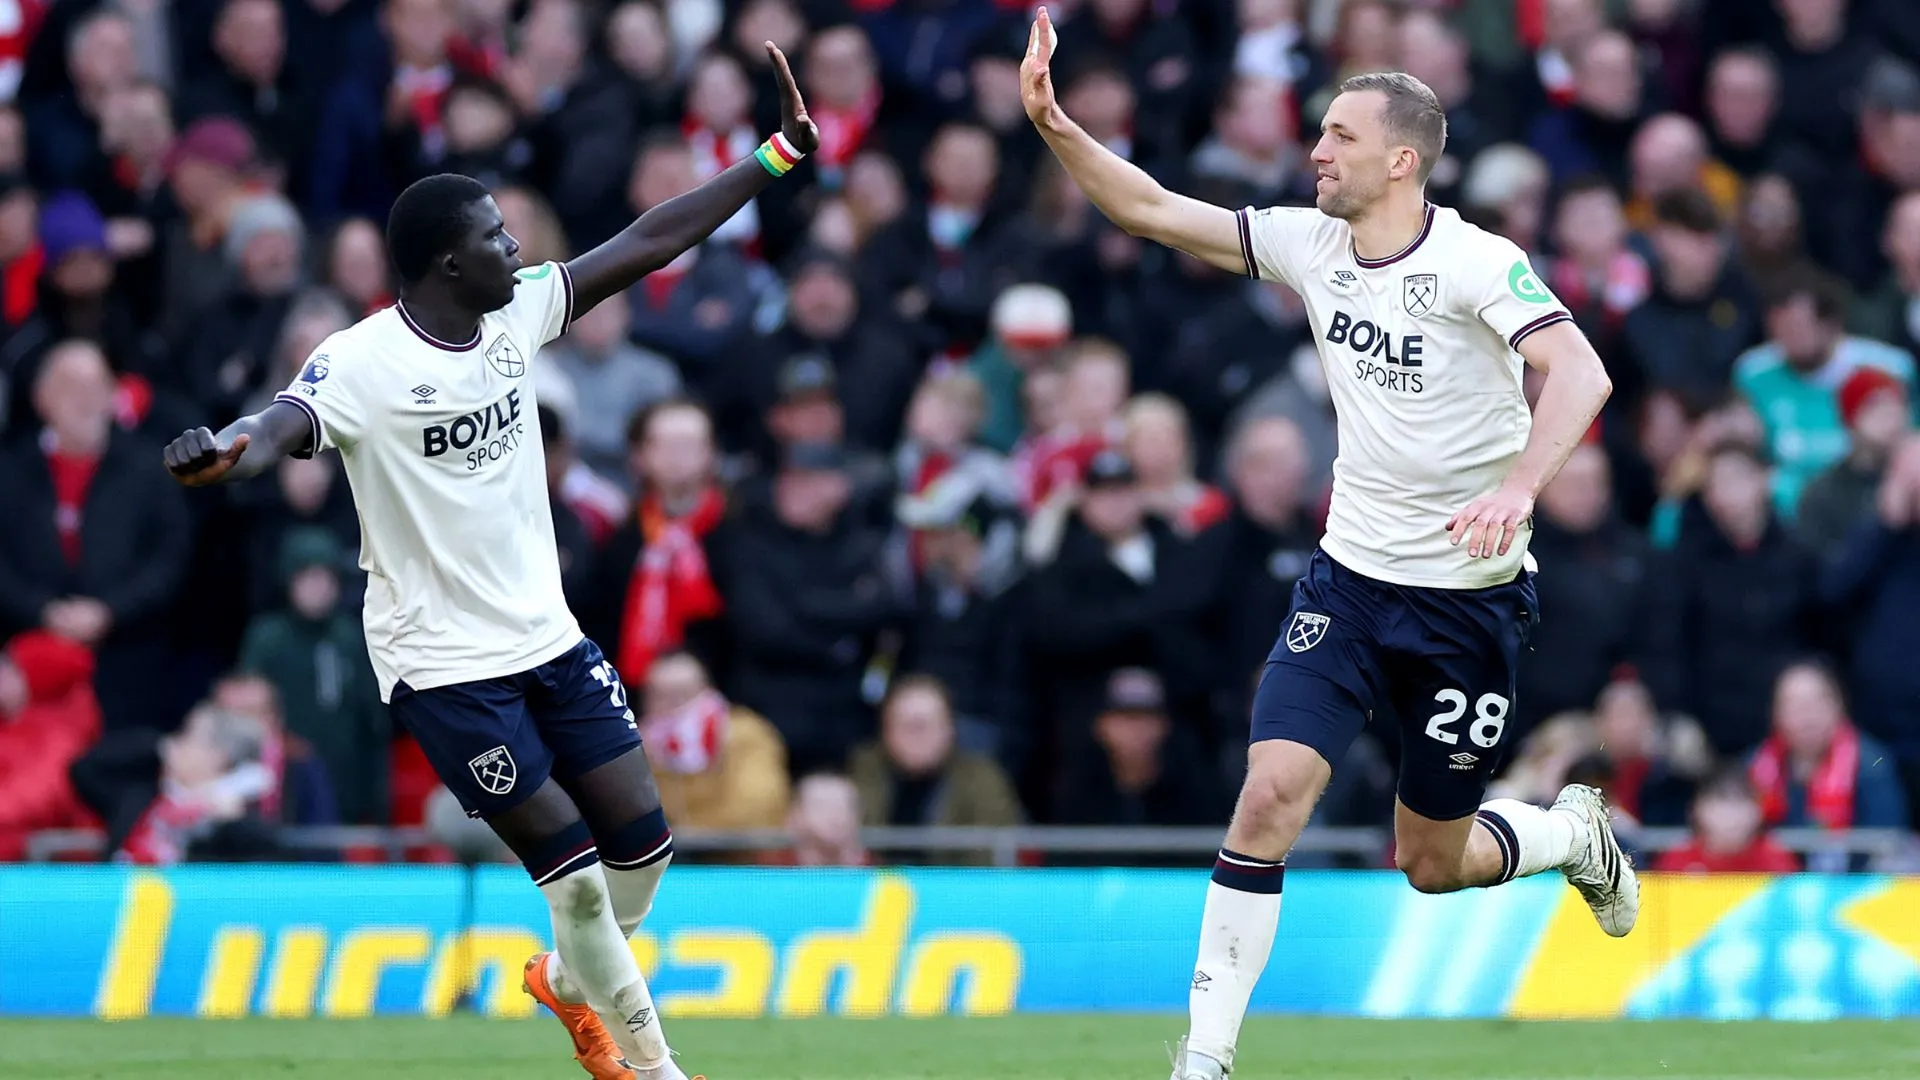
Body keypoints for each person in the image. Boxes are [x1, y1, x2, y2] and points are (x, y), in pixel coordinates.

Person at [159, 42, 820, 1080]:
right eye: (495, 236)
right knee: (579, 884)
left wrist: (773, 158)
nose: (517, 246)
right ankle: (656, 1070)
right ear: (445, 265)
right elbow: (283, 420)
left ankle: (566, 981)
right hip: (442, 662)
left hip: (544, 635)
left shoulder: (515, 314)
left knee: (642, 859)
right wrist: (227, 450)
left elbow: (649, 240)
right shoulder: (365, 361)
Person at [1018, 12, 1630, 1079]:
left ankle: (1571, 837)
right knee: (1268, 796)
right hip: (1347, 585)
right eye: (1319, 133)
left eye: (1340, 137)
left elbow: (1581, 374)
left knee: (1430, 863)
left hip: (1467, 602)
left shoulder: (1479, 263)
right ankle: (1203, 1058)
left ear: (1402, 158)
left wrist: (1521, 488)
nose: (1316, 152)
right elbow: (1154, 209)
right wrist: (1056, 126)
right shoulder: (1311, 243)